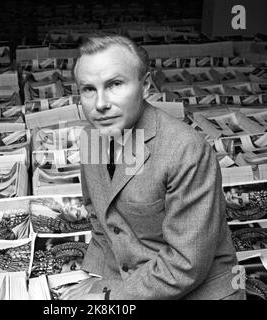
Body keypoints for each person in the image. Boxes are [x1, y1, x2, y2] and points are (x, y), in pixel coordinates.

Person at [60, 36, 244, 300]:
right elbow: (100, 219)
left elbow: (187, 263)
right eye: (89, 89)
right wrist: (97, 278)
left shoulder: (186, 149)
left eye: (115, 84)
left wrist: (110, 297)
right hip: (131, 278)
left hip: (196, 289)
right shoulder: (91, 138)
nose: (100, 104)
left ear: (145, 85)